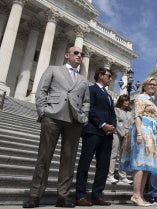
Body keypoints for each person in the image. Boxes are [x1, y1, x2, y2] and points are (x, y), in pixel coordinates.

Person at [22, 46, 90, 208]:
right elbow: (41, 91)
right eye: (76, 53)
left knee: (69, 159)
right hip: (52, 116)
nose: (79, 55)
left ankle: (63, 195)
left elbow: (86, 101)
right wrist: (43, 112)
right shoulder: (53, 69)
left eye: (81, 54)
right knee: (44, 157)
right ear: (67, 55)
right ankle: (35, 195)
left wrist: (83, 117)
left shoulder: (83, 79)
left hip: (74, 121)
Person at [75, 67, 117, 206]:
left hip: (107, 135)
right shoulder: (91, 90)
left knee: (103, 166)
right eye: (108, 76)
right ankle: (80, 195)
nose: (111, 79)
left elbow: (113, 114)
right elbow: (90, 109)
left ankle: (97, 195)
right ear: (100, 76)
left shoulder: (109, 95)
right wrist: (102, 124)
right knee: (85, 163)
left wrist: (113, 126)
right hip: (93, 131)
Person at [120, 77, 157, 206]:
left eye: (155, 85)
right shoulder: (141, 98)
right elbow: (137, 116)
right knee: (140, 163)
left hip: (151, 133)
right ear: (144, 85)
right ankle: (136, 195)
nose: (153, 86)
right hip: (143, 130)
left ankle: (140, 195)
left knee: (147, 165)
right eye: (150, 84)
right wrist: (139, 133)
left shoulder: (150, 100)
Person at [107, 94, 133, 184]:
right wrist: (123, 133)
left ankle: (123, 176)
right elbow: (116, 122)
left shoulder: (130, 112)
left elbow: (132, 123)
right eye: (125, 100)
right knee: (114, 154)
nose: (127, 102)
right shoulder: (116, 110)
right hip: (117, 133)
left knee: (124, 156)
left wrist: (129, 133)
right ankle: (110, 175)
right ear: (121, 101)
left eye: (128, 100)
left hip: (127, 134)